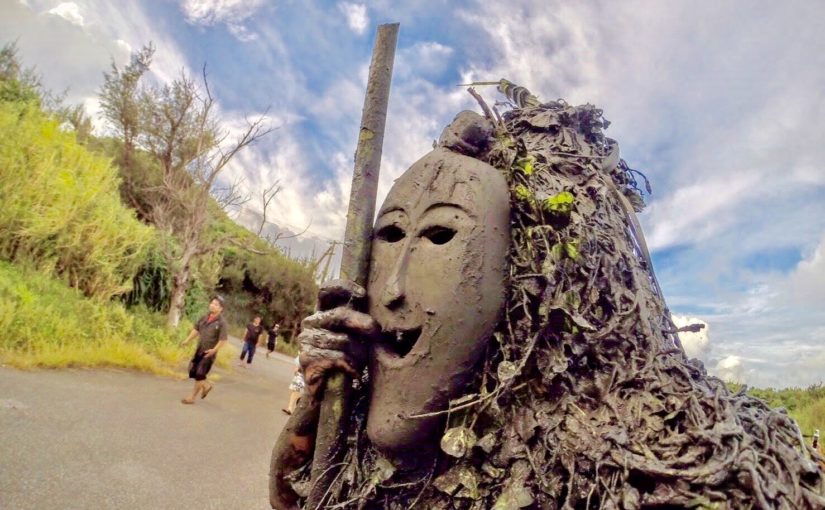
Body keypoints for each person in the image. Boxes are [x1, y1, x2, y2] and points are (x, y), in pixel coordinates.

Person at [270, 101, 825, 508]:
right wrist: (319, 405)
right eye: (389, 236)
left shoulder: (668, 468)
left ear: (535, 285)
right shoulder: (368, 422)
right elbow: (293, 497)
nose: (393, 287)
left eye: (441, 236)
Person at [180, 295, 228, 405]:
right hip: (199, 349)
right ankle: (206, 385)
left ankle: (192, 397)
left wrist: (214, 351)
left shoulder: (222, 323)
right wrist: (187, 340)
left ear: (221, 308)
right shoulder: (204, 317)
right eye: (212, 303)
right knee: (192, 370)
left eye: (216, 304)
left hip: (209, 353)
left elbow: (223, 340)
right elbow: (196, 330)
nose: (213, 305)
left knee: (199, 374)